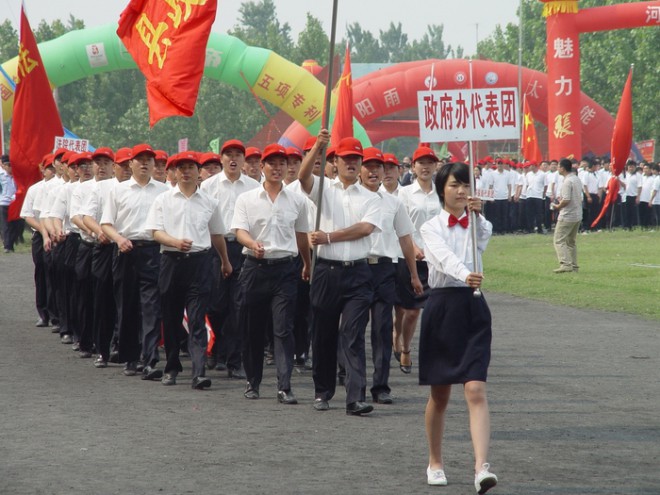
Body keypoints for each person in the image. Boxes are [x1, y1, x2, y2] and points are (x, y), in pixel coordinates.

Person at [419, 162, 497, 494]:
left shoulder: (479, 224)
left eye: (466, 185)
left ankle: (481, 467)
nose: (462, 190)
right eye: (454, 185)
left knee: (475, 389)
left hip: (473, 306)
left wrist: (478, 218)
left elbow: (480, 242)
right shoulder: (430, 227)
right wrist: (465, 273)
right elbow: (442, 258)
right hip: (442, 307)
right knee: (440, 395)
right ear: (442, 190)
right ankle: (435, 461)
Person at [299, 131, 382, 416]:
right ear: (334, 161)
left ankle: (355, 397)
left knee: (352, 333)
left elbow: (365, 228)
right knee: (323, 334)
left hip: (358, 274)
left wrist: (329, 237)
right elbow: (302, 177)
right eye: (346, 159)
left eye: (356, 159)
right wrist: (316, 149)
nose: (352, 164)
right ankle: (322, 391)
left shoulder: (371, 197)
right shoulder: (322, 189)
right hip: (326, 272)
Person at [231, 143, 310, 403]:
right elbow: (239, 231)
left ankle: (284, 386)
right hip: (255, 268)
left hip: (286, 269)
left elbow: (301, 237)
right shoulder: (247, 199)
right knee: (253, 329)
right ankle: (252, 381)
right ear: (262, 167)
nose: (277, 168)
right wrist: (252, 243)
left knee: (283, 328)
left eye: (282, 164)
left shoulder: (297, 200)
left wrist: (307, 264)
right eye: (272, 164)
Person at [146, 151, 231, 389]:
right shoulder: (163, 199)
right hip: (171, 262)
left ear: (198, 172)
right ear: (174, 172)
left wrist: (225, 260)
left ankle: (199, 371)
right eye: (180, 167)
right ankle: (172, 367)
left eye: (190, 167)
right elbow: (155, 231)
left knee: (196, 318)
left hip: (200, 264)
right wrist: (174, 242)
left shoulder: (210, 202)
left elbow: (217, 234)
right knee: (172, 319)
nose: (185, 172)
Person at [101, 144, 169, 379]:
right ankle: (130, 357)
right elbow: (106, 223)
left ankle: (149, 359)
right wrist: (118, 239)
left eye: (149, 160)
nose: (144, 164)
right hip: (125, 251)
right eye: (139, 160)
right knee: (127, 306)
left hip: (154, 252)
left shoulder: (164, 191)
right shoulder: (118, 191)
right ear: (130, 164)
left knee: (151, 307)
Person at [360, 147, 422, 404]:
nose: (375, 171)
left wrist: (414, 275)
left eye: (380, 167)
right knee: (351, 329)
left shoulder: (395, 203)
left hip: (385, 268)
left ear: (387, 171)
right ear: (361, 170)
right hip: (356, 268)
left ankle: (381, 386)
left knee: (382, 329)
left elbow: (406, 239)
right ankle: (350, 378)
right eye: (369, 166)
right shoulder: (349, 199)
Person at [200, 139, 260, 379]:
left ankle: (233, 358)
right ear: (221, 158)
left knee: (239, 305)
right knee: (216, 304)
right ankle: (215, 348)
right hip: (215, 248)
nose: (233, 159)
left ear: (244, 160)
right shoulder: (208, 186)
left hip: (242, 248)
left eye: (238, 154)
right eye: (229, 155)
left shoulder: (255, 186)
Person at [395, 146, 442, 375]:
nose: (425, 167)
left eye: (429, 163)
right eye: (420, 163)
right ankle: (404, 347)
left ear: (436, 167)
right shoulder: (404, 193)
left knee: (430, 309)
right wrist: (413, 247)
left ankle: (418, 348)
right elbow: (401, 225)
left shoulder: (442, 193)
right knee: (410, 310)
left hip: (436, 260)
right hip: (411, 258)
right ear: (413, 167)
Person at [551, 158, 583, 273]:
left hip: (567, 215)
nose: (557, 168)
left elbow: (566, 200)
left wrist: (557, 206)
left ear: (563, 168)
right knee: (571, 242)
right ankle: (574, 265)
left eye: (558, 166)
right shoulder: (576, 179)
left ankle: (565, 264)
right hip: (577, 214)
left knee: (558, 240)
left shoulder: (567, 181)